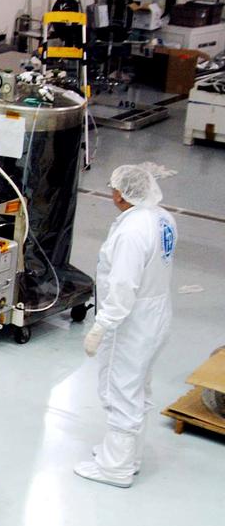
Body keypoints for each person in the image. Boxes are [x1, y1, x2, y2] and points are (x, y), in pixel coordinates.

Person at [75, 165, 176, 488]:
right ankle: (126, 456)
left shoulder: (133, 232)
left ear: (123, 194)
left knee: (120, 391)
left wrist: (102, 325)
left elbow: (123, 284)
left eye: (114, 187)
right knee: (137, 388)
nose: (111, 192)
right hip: (155, 313)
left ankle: (114, 468)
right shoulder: (161, 218)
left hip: (130, 322)